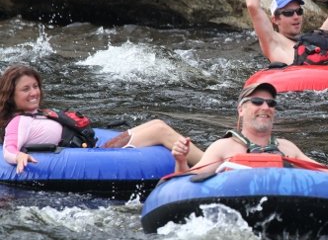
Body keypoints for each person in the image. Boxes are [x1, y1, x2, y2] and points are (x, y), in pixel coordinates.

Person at [171, 82, 328, 225]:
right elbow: (187, 186)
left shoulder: (287, 147)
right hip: (242, 209)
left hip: (291, 209)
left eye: (271, 103)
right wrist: (181, 161)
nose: (265, 107)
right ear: (241, 110)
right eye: (257, 102)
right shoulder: (223, 147)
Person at [0, 64, 204, 174]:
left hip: (93, 148)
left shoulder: (36, 114)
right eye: (25, 89)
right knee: (159, 129)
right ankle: (211, 164)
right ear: (11, 95)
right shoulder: (18, 122)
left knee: (156, 125)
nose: (34, 92)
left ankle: (208, 161)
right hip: (96, 155)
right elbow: (9, 150)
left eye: (35, 86)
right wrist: (18, 157)